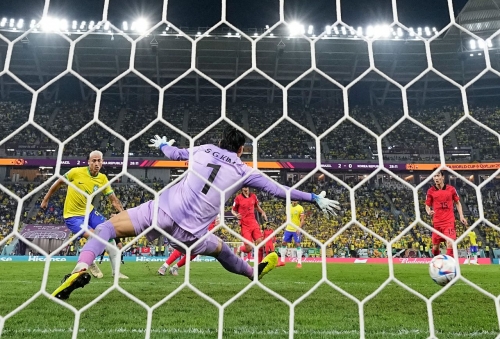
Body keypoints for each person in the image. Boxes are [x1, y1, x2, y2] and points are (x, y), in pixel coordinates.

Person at [51, 127, 340, 300]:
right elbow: (280, 191)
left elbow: (175, 154)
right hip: (193, 234)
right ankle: (253, 274)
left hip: (161, 214)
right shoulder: (244, 170)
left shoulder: (203, 150)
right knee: (222, 250)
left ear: (222, 142)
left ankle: (79, 270)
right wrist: (313, 197)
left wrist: (163, 144)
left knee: (107, 229)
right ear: (242, 149)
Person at [41, 150, 128, 279]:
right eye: (94, 161)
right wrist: (46, 199)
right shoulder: (75, 172)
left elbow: (114, 200)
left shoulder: (103, 178)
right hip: (73, 216)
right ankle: (89, 259)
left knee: (109, 234)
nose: (97, 163)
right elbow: (58, 182)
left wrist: (124, 214)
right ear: (88, 162)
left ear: (102, 162)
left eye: (99, 160)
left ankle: (116, 273)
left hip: (90, 211)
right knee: (95, 237)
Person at [425, 169, 467, 258]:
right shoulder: (430, 191)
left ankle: (449, 266)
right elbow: (427, 205)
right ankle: (436, 260)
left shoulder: (451, 189)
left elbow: (458, 203)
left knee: (450, 242)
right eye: (434, 176)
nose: (436, 178)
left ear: (442, 177)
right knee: (435, 246)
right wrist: (428, 211)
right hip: (437, 223)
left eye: (438, 176)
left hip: (449, 221)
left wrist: (461, 216)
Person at [232, 187, 267, 263]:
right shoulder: (238, 198)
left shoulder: (253, 196)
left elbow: (257, 206)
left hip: (253, 223)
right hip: (244, 225)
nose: (246, 189)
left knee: (261, 243)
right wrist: (236, 215)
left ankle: (259, 264)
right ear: (242, 189)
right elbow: (233, 210)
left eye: (247, 188)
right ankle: (240, 249)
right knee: (249, 249)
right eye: (244, 188)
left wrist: (263, 212)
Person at [278, 201, 305, 268]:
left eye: (296, 200)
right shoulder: (288, 206)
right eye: (293, 199)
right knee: (283, 243)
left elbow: (302, 220)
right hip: (288, 229)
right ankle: (282, 261)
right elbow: (287, 217)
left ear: (298, 201)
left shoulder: (300, 208)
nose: (295, 201)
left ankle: (299, 263)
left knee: (297, 244)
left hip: (296, 229)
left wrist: (299, 228)